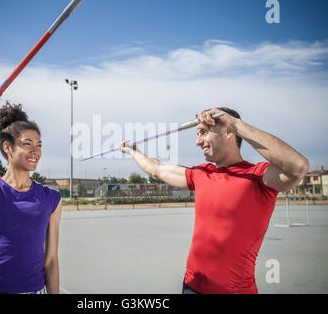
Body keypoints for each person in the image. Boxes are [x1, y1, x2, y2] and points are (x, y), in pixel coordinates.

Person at [119, 107, 309, 294]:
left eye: (203, 132)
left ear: (228, 133)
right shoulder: (201, 173)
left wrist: (234, 124)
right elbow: (156, 169)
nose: (198, 142)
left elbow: (298, 168)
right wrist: (133, 151)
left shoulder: (257, 176)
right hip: (191, 286)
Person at [0, 91, 62, 294]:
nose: (36, 151)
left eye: (39, 145)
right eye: (27, 144)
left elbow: (51, 260)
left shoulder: (51, 198)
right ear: (7, 147)